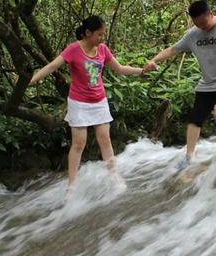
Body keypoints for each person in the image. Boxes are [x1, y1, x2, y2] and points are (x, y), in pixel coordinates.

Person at [29, 15, 145, 190]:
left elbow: (120, 69)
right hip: (79, 103)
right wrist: (30, 80)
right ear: (87, 33)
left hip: (99, 101)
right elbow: (52, 66)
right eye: (99, 34)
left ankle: (115, 177)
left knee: (105, 140)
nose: (102, 38)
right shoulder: (73, 49)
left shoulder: (103, 49)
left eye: (103, 34)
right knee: (79, 143)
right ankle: (72, 185)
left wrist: (142, 70)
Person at [143, 0, 216, 168]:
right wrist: (153, 60)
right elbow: (173, 49)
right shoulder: (193, 34)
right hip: (207, 82)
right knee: (194, 119)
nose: (202, 27)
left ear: (211, 14)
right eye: (197, 24)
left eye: (204, 23)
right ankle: (189, 157)